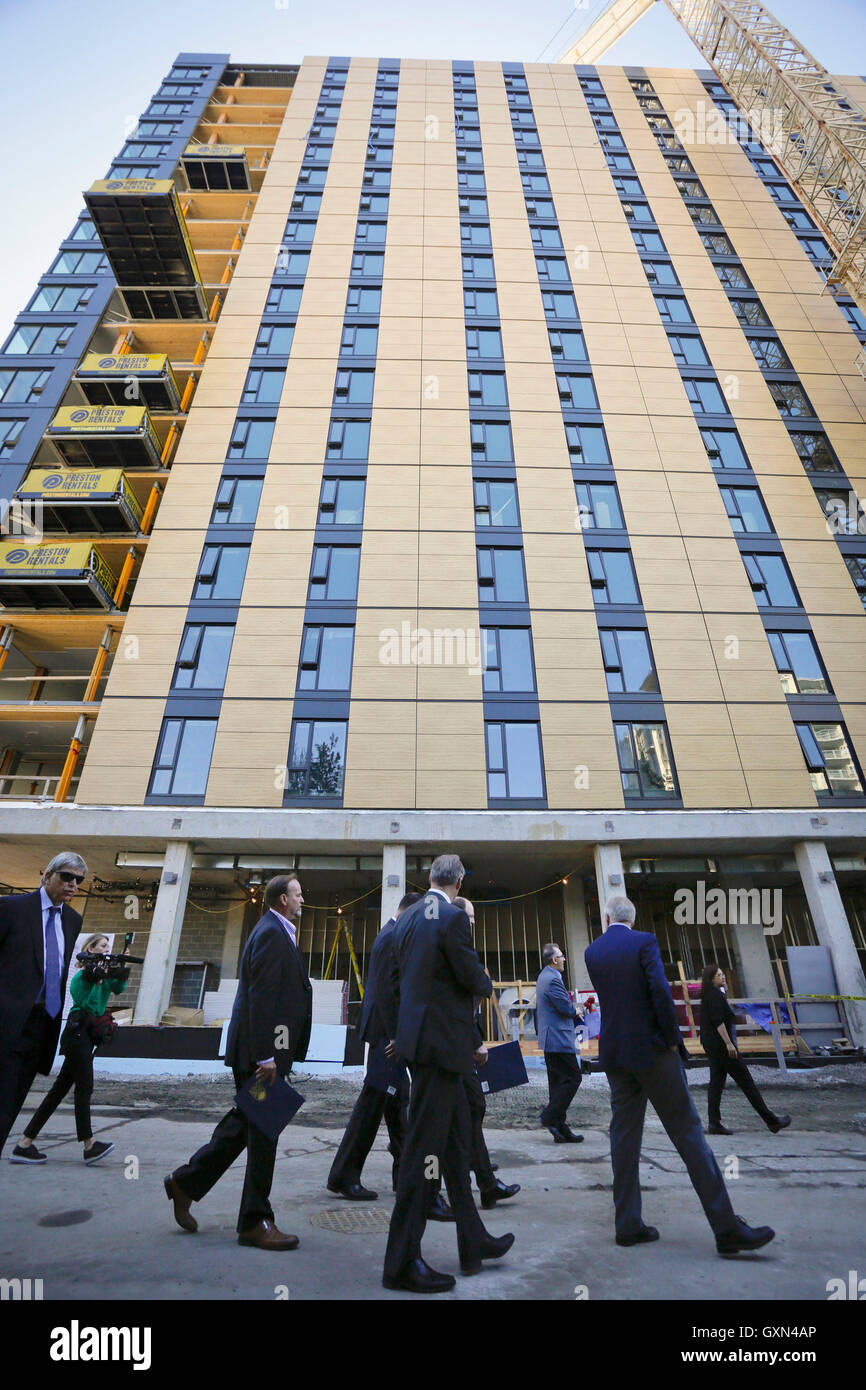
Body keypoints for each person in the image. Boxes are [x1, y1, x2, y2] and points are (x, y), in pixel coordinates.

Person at [585, 894, 775, 1257]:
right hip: (653, 1053)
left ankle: (627, 1224)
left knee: (623, 1138)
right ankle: (726, 1228)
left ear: (607, 920)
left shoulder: (592, 953)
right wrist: (674, 1042)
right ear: (632, 919)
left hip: (615, 1056)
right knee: (688, 1133)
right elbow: (659, 991)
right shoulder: (645, 941)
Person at [382, 854, 515, 1294]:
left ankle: (472, 1240)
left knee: (457, 1146)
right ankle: (401, 1261)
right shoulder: (454, 917)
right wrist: (486, 983)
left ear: (430, 878)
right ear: (458, 880)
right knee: (424, 1153)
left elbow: (404, 983)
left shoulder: (408, 918)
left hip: (426, 1047)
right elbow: (471, 977)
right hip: (443, 1049)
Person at [164, 873, 313, 1250]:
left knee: (243, 1126)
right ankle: (254, 1222)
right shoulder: (270, 933)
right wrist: (266, 1056)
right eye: (297, 894)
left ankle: (186, 1182)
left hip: (265, 1052)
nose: (302, 900)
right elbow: (261, 999)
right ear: (281, 899)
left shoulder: (277, 931)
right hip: (259, 1055)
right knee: (263, 1135)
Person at [427, 896, 520, 1218]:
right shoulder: (451, 947)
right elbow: (467, 996)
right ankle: (435, 1189)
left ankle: (482, 1182)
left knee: (466, 1114)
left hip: (456, 1046)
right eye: (469, 916)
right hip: (450, 1050)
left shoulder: (453, 945)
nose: (473, 922)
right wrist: (475, 1043)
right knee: (459, 1116)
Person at [326, 891, 423, 1200]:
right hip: (386, 1037)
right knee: (372, 1106)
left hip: (386, 1034)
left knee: (396, 1102)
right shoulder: (392, 937)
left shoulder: (390, 935)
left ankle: (403, 1174)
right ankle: (345, 1175)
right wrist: (397, 1035)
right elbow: (385, 991)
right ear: (409, 913)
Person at [12, 932, 128, 1165]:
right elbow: (86, 1000)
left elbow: (118, 989)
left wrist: (121, 965)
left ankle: (24, 1143)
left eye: (108, 946)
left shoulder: (102, 976)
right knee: (84, 1086)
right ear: (91, 948)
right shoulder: (81, 977)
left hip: (88, 1036)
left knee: (58, 1091)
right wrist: (95, 977)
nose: (106, 949)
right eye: (102, 945)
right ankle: (89, 1144)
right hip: (78, 1033)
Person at [0, 852, 88, 1158]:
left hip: (41, 1028)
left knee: (9, 1109)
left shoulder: (72, 920)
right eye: (66, 876)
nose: (73, 885)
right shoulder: (11, 908)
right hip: (7, 1024)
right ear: (47, 875)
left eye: (78, 880)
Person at [699, 962, 791, 1137]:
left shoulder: (712, 995)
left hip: (713, 1046)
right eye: (719, 975)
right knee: (747, 1083)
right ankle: (771, 1121)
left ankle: (714, 1123)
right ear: (711, 979)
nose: (723, 977)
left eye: (722, 974)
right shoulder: (715, 996)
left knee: (716, 1083)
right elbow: (719, 1022)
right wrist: (729, 1044)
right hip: (722, 1047)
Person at [536, 942, 584, 1143]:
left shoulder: (544, 976)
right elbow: (564, 1007)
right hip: (558, 1038)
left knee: (557, 1084)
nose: (564, 959)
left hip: (551, 1039)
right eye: (562, 956)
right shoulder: (553, 979)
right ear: (554, 960)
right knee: (573, 1078)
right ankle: (548, 1117)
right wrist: (577, 1011)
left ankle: (559, 1127)